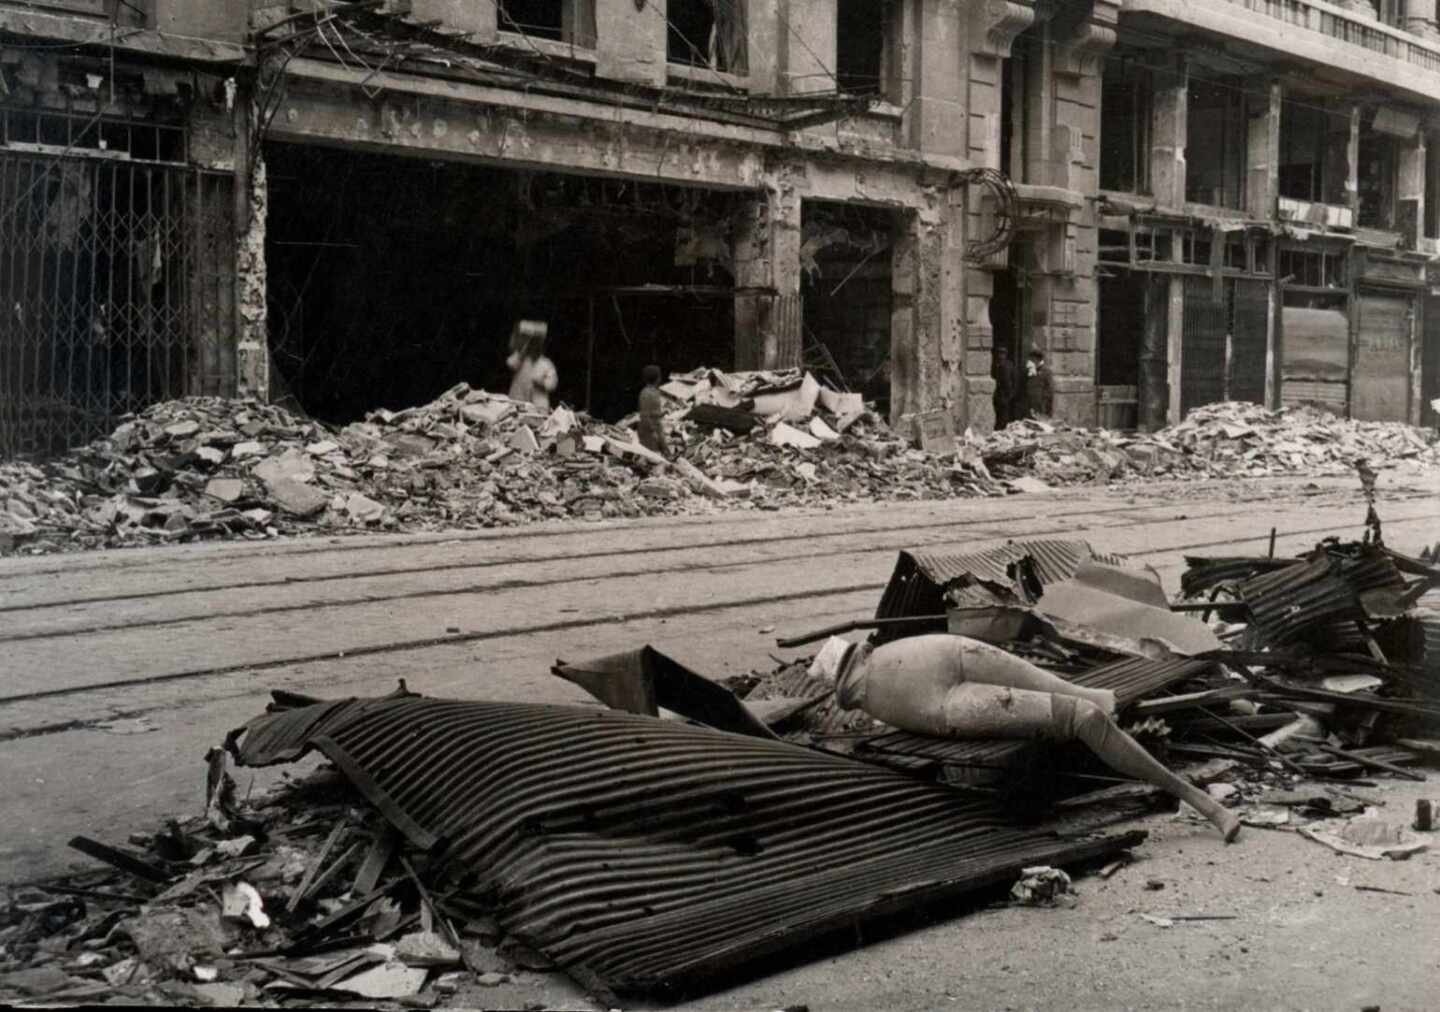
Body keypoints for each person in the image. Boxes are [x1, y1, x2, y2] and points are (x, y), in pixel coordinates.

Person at [830, 634, 1241, 842]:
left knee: (1083, 702)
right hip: (944, 691)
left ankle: (1199, 801)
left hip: (948, 660)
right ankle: (1201, 803)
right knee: (1083, 714)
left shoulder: (870, 684)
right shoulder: (870, 689)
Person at [506, 320, 558, 410]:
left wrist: (541, 383)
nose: (535, 348)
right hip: (518, 401)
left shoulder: (546, 363)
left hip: (538, 404)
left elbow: (552, 384)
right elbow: (510, 364)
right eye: (532, 345)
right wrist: (523, 348)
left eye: (537, 346)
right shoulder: (521, 359)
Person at [637, 364, 671, 457]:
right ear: (657, 378)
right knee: (652, 457)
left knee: (664, 454)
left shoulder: (654, 392)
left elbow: (653, 412)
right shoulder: (646, 393)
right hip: (649, 431)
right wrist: (653, 432)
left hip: (656, 429)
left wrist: (662, 413)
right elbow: (645, 415)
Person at [992, 347, 1018, 430]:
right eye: (999, 353)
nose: (1001, 356)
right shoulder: (994, 365)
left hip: (1007, 395)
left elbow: (1015, 380)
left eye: (1003, 354)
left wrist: (1011, 394)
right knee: (997, 415)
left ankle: (1004, 430)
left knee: (1005, 416)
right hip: (997, 395)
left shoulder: (1009, 365)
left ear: (1006, 355)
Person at [1025, 349, 1054, 418]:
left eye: (1032, 359)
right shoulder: (1030, 371)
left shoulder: (1046, 372)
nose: (1030, 361)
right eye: (1030, 359)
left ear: (1038, 360)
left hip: (1041, 407)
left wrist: (1044, 405)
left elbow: (1050, 390)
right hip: (1030, 406)